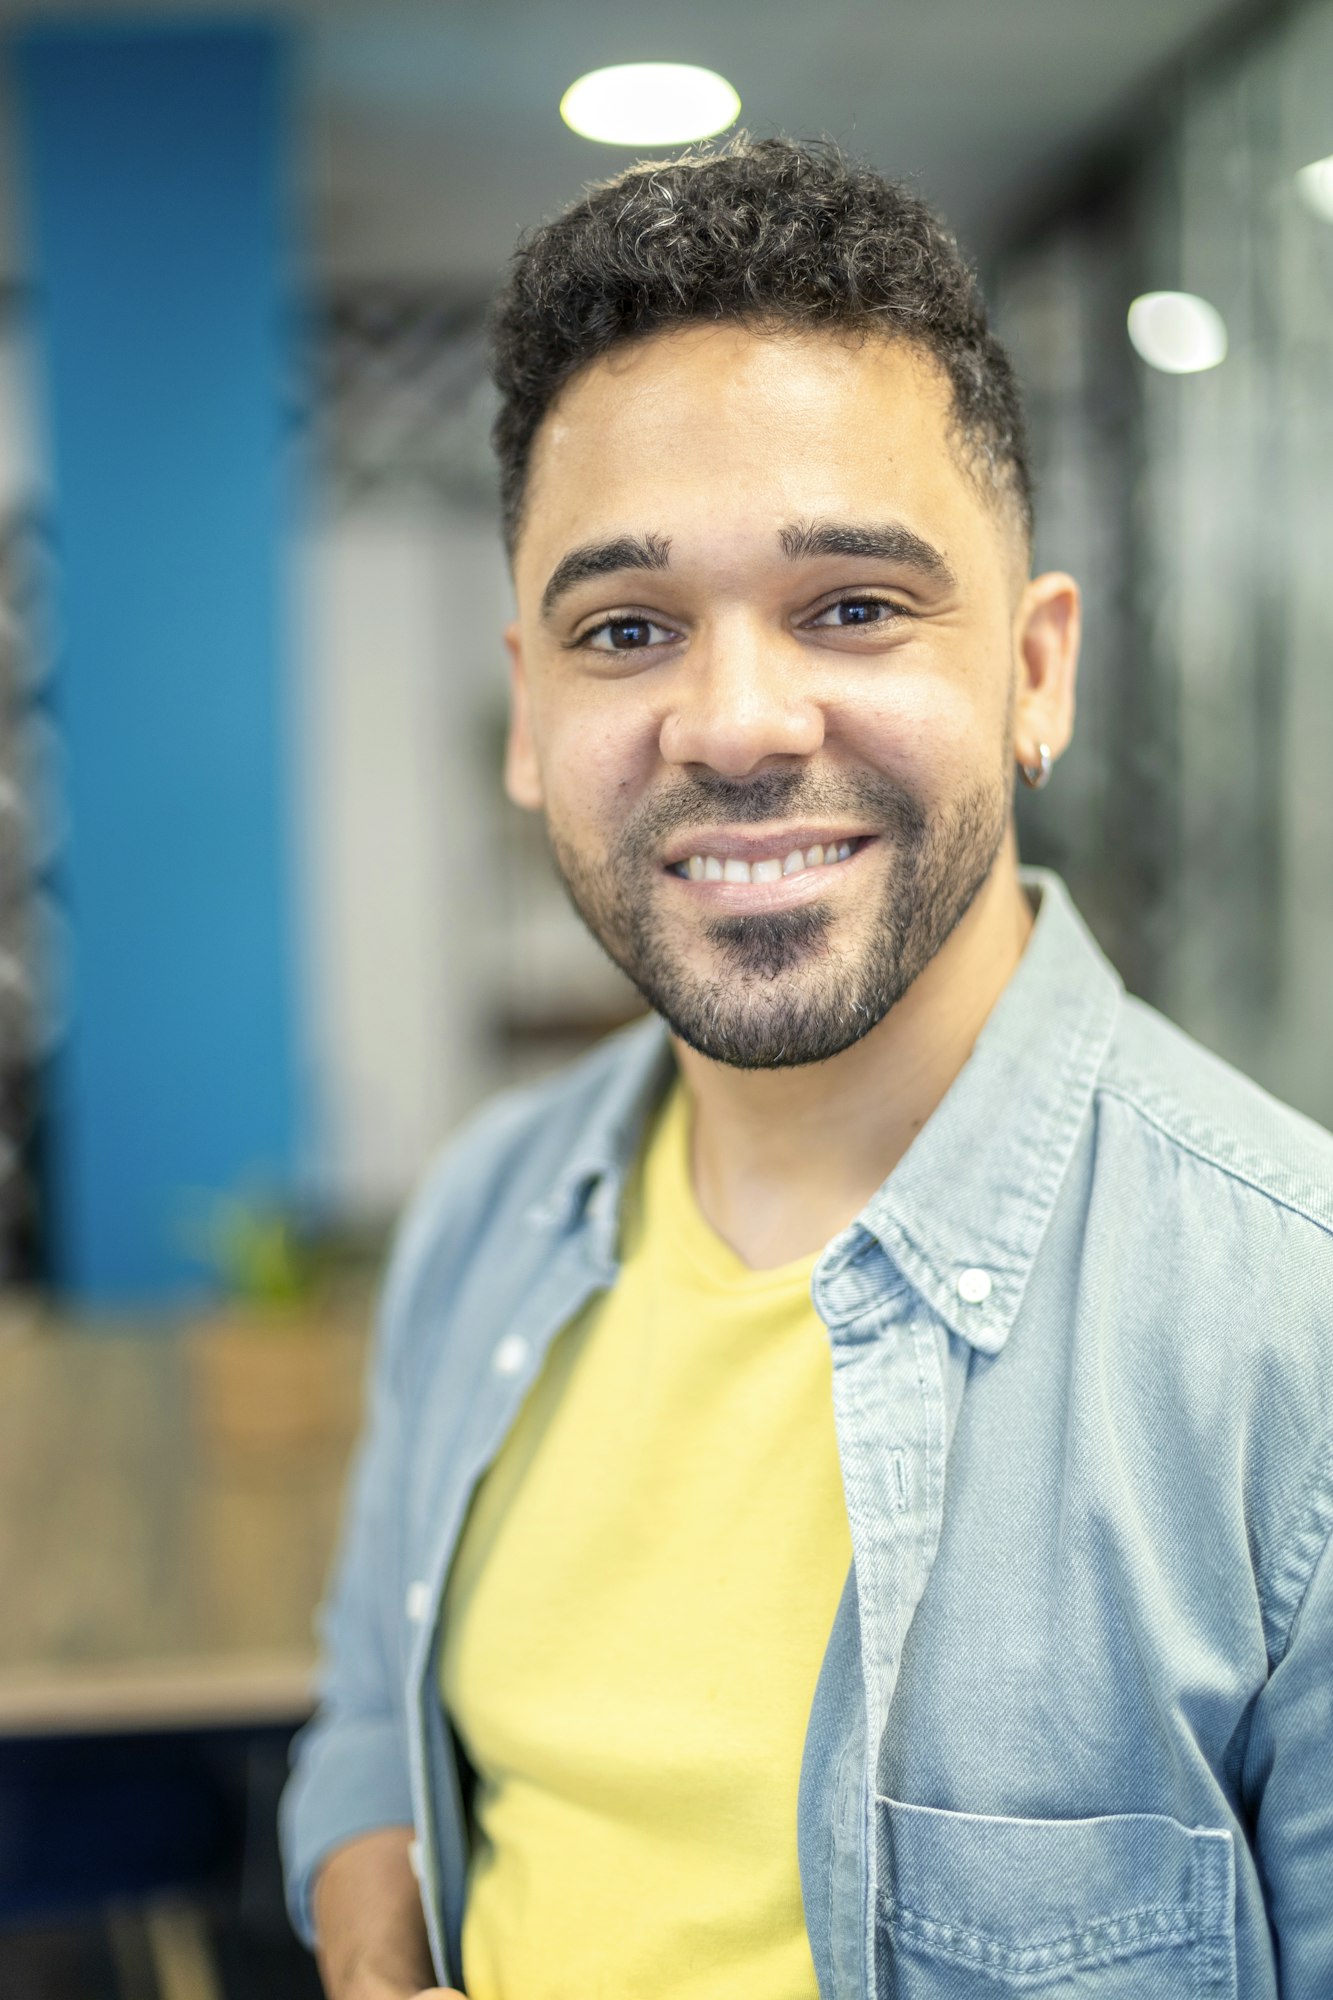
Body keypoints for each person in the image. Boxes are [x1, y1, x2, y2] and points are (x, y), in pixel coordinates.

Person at [280, 138, 1333, 2000]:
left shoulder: (1292, 1343)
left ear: (1034, 671)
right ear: (531, 714)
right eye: (627, 631)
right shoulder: (482, 1218)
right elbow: (375, 1704)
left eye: (852, 603)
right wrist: (373, 1924)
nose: (739, 723)